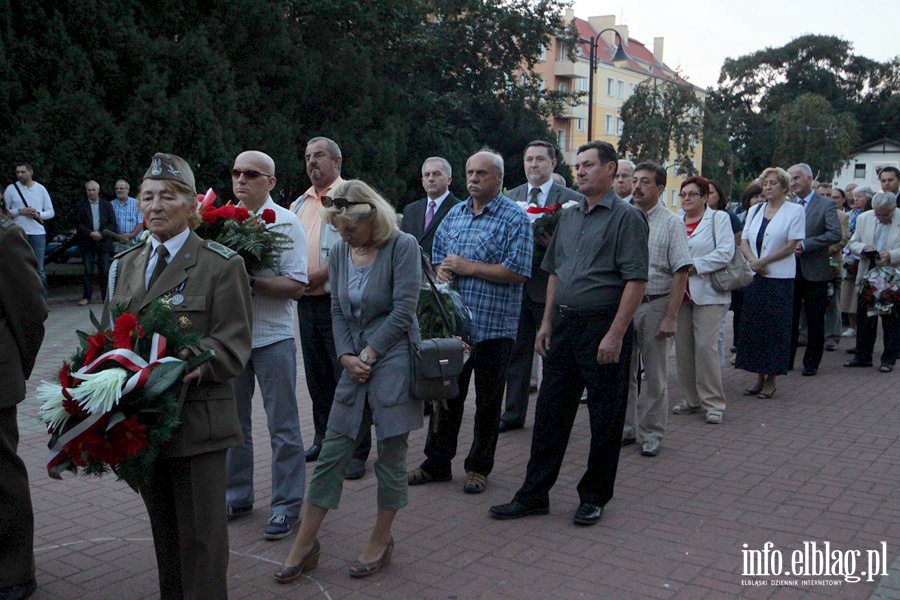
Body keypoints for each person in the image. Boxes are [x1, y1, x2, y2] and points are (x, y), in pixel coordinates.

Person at [105, 153, 252, 600]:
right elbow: (112, 337)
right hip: (145, 423)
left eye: (167, 196)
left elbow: (234, 343)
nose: (154, 205)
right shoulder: (125, 263)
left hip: (198, 422)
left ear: (191, 204)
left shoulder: (220, 264)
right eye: (147, 196)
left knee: (202, 540)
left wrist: (185, 363)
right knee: (165, 534)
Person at [489, 140, 648, 526]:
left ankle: (594, 496)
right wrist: (545, 323)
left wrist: (615, 333)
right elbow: (555, 271)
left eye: (588, 165)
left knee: (604, 417)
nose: (579, 171)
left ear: (610, 170)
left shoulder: (627, 218)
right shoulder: (571, 215)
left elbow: (635, 281)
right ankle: (533, 494)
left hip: (603, 327)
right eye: (577, 165)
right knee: (549, 413)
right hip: (563, 325)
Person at [275, 180, 422, 582]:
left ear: (371, 218)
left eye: (350, 229)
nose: (343, 236)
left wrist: (368, 355)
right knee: (333, 451)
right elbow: (337, 308)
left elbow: (405, 310)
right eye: (337, 229)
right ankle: (305, 543)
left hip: (392, 358)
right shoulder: (341, 249)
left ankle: (381, 540)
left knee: (391, 456)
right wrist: (345, 356)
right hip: (354, 359)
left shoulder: (402, 245)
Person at [409, 148, 532, 494]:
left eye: (482, 173)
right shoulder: (455, 214)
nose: (474, 179)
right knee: (446, 397)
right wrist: (443, 271)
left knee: (489, 401)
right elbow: (437, 262)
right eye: (470, 173)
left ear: (499, 179)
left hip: (495, 328)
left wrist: (468, 267)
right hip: (455, 329)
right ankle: (437, 462)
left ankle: (478, 467)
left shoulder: (514, 218)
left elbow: (519, 272)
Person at [225, 151, 309, 540]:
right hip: (233, 340)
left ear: (270, 182)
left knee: (283, 427)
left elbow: (297, 285)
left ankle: (287, 505)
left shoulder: (287, 222)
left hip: (273, 338)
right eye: (236, 173)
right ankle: (237, 495)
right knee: (233, 425)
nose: (241, 180)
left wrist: (250, 281)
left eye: (251, 174)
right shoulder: (221, 222)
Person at [291, 137, 372, 478]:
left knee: (347, 378)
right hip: (306, 304)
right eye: (308, 156)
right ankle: (324, 439)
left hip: (339, 302)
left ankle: (356, 450)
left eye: (319, 155)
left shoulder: (351, 197)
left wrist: (321, 274)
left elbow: (357, 244)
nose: (312, 162)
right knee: (318, 378)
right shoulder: (299, 202)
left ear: (337, 160)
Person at [500, 140, 583, 433]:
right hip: (514, 288)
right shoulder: (510, 197)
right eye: (528, 159)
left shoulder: (572, 199)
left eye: (539, 160)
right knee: (517, 355)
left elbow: (576, 244)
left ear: (552, 163)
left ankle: (551, 416)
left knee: (553, 354)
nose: (533, 165)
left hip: (551, 288)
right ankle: (513, 413)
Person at [621, 161, 690, 457]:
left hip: (656, 302)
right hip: (625, 304)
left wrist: (671, 316)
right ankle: (625, 427)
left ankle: (651, 432)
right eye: (634, 180)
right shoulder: (622, 217)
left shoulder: (672, 222)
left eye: (645, 181)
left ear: (660, 188)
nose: (637, 186)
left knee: (655, 374)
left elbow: (681, 271)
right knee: (622, 372)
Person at [0, 213, 47, 600]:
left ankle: (13, 571)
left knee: (1, 478)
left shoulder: (5, 237)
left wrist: (17, 368)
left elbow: (30, 312)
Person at [735, 168, 806, 398]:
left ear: (784, 187)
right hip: (756, 276)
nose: (767, 187)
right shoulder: (755, 209)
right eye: (765, 183)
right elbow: (744, 239)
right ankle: (757, 376)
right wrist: (754, 261)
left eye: (773, 183)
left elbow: (791, 245)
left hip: (779, 279)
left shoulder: (794, 211)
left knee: (775, 329)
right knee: (756, 327)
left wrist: (765, 260)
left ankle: (771, 379)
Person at [672, 176, 733, 424]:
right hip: (679, 294)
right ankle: (691, 399)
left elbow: (726, 252)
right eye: (683, 194)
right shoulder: (675, 220)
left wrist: (692, 267)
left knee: (705, 348)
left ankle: (714, 403)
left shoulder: (719, 219)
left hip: (708, 293)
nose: (686, 198)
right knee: (683, 349)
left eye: (692, 194)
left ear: (705, 197)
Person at [787, 163, 841, 376]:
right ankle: (787, 359)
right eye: (791, 178)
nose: (794, 182)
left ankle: (811, 363)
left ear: (809, 179)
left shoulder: (825, 205)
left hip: (815, 270)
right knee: (790, 317)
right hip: (790, 268)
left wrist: (806, 245)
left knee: (814, 317)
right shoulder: (788, 204)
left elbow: (834, 234)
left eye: (798, 177)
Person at [845, 192, 900, 372]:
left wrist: (891, 255)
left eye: (885, 214)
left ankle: (888, 359)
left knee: (890, 318)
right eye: (878, 213)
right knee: (865, 316)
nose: (881, 217)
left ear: (893, 209)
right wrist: (864, 248)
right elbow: (852, 243)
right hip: (868, 272)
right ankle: (862, 356)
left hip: (893, 275)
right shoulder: (864, 218)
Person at [3, 162, 55, 297]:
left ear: (30, 173)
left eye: (22, 172)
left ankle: (42, 301)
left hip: (37, 233)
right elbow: (5, 213)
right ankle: (23, 301)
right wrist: (20, 211)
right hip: (18, 233)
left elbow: (50, 212)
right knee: (20, 268)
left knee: (39, 269)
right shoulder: (11, 189)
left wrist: (38, 215)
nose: (20, 175)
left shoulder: (40, 189)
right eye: (17, 172)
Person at [400, 156, 460, 258]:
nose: (431, 179)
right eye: (427, 175)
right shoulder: (410, 210)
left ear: (449, 180)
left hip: (442, 271)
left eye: (437, 174)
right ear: (422, 181)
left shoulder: (460, 209)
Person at [73, 180, 117, 306]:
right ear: (86, 191)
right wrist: (90, 233)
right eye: (89, 190)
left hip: (103, 242)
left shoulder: (106, 205)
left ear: (98, 191)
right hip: (87, 241)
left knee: (104, 271)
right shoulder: (80, 205)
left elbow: (112, 223)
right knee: (88, 270)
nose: (91, 192)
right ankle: (86, 296)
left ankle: (105, 297)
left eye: (93, 190)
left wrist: (102, 234)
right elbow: (78, 224)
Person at [841, 186, 874, 339]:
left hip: (864, 259)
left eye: (860, 196)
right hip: (847, 258)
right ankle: (852, 325)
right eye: (855, 196)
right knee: (848, 293)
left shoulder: (871, 216)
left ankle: (862, 328)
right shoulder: (848, 214)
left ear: (868, 198)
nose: (856, 199)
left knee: (862, 295)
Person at [824, 189, 850, 351]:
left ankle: (832, 337)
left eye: (833, 197)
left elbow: (843, 239)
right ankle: (804, 335)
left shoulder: (842, 217)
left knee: (833, 303)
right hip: (809, 265)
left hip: (832, 264)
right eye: (825, 196)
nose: (829, 199)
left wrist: (819, 251)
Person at [110, 179, 143, 252]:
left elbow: (140, 223)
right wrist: (118, 237)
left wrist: (131, 235)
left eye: (121, 188)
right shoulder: (111, 205)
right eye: (117, 188)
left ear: (128, 190)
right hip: (118, 243)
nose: (119, 190)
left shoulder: (136, 203)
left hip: (134, 243)